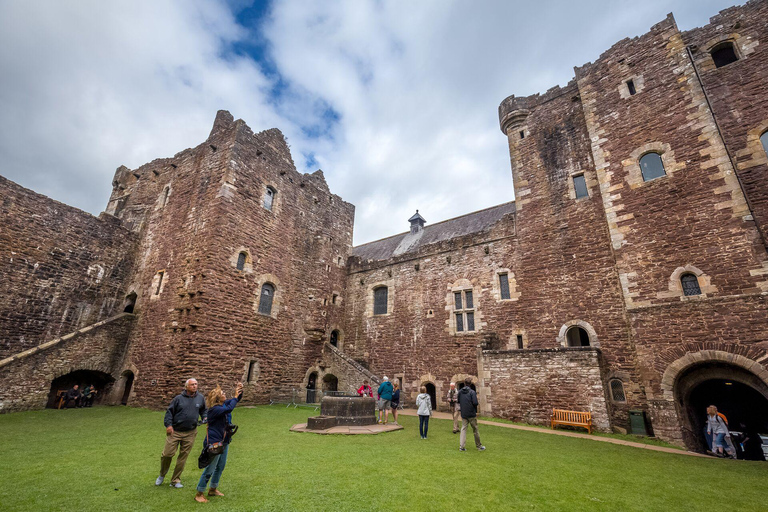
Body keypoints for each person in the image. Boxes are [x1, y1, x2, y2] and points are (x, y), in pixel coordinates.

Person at [195, 381, 243, 503]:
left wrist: (239, 391)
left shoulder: (222, 405)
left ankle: (212, 489)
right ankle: (199, 493)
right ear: (218, 398)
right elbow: (231, 407)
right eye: (222, 393)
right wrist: (235, 397)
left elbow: (234, 402)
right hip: (215, 443)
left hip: (224, 441)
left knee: (220, 466)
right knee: (210, 468)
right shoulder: (214, 410)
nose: (225, 393)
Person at [156, 378, 207, 488]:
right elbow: (169, 412)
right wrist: (169, 425)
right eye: (192, 384)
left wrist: (204, 417)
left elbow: (203, 410)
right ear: (186, 387)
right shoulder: (178, 399)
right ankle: (162, 475)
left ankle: (175, 480)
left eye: (196, 384)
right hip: (175, 431)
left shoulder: (200, 398)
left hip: (191, 432)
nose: (195, 386)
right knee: (167, 454)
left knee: (183, 457)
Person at [458, 378, 485, 451]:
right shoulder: (472, 392)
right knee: (475, 429)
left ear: (464, 383)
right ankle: (479, 446)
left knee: (463, 429)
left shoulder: (460, 392)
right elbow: (475, 402)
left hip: (463, 413)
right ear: (470, 384)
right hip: (471, 413)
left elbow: (458, 400)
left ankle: (462, 447)